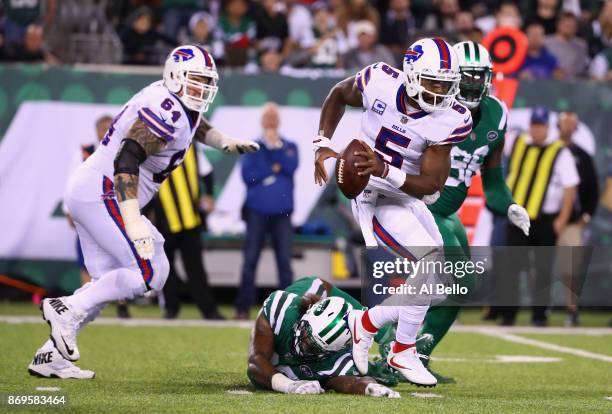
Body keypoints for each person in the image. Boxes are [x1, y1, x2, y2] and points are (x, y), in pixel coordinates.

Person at [28, 45, 259, 379]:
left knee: (106, 283)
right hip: (106, 192)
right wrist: (134, 219)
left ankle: (50, 357)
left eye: (206, 81)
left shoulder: (176, 103)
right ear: (176, 76)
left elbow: (193, 123)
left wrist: (221, 140)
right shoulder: (168, 111)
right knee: (151, 272)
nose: (202, 88)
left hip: (94, 188)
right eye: (196, 80)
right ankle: (65, 308)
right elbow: (127, 159)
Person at [314, 37, 472, 386]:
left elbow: (431, 183)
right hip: (372, 195)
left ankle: (365, 323)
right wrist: (322, 144)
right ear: (412, 75)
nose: (441, 91)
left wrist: (385, 169)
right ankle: (402, 351)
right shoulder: (380, 81)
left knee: (440, 286)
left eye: (447, 84)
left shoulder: (450, 117)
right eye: (433, 82)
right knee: (428, 262)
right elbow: (339, 93)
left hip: (406, 192)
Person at [417, 41, 530, 382]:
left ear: (488, 78)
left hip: (449, 213)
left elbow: (493, 181)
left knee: (462, 288)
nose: (469, 83)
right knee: (456, 282)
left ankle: (416, 354)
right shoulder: (431, 108)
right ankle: (388, 344)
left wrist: (509, 205)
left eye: (477, 76)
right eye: (464, 76)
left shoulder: (496, 114)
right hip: (422, 208)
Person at [496, 106, 579, 326]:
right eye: (534, 125)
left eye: (541, 126)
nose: (537, 130)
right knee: (511, 268)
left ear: (548, 128)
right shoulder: (517, 142)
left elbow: (571, 187)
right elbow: (498, 135)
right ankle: (508, 315)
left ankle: (539, 316)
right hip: (517, 218)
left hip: (545, 220)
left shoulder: (559, 151)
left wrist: (562, 219)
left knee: (542, 269)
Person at [247, 276, 399, 397]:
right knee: (317, 285)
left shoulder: (337, 356)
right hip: (311, 290)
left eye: (313, 346)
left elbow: (351, 383)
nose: (304, 344)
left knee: (364, 368)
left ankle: (401, 351)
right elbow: (255, 363)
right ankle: (385, 334)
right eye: (307, 334)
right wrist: (289, 385)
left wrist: (369, 387)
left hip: (343, 345)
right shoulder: (282, 309)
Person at [235, 103, 298, 320]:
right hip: (257, 212)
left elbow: (291, 166)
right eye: (267, 118)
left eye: (274, 118)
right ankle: (243, 308)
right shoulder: (252, 147)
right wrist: (272, 167)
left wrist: (275, 150)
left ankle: (290, 312)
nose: (271, 121)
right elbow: (248, 176)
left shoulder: (290, 146)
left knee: (284, 262)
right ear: (262, 121)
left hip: (282, 213)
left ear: (278, 121)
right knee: (250, 260)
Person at [147, 143, 224, 320]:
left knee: (195, 267)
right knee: (166, 267)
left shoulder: (191, 148)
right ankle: (171, 308)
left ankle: (208, 310)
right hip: (164, 220)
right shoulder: (151, 151)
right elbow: (144, 184)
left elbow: (207, 172)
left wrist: (209, 195)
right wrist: (145, 213)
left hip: (190, 218)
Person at [66, 115, 132, 319]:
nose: (106, 131)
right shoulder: (85, 151)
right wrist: (69, 209)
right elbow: (72, 179)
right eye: (102, 128)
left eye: (109, 128)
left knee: (121, 256)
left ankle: (122, 303)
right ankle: (87, 303)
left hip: (114, 209)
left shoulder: (124, 152)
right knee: (88, 257)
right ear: (96, 131)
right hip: (89, 208)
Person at [556, 112, 599, 326]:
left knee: (571, 267)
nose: (568, 128)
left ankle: (571, 308)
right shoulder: (546, 150)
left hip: (571, 222)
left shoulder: (582, 155)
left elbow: (592, 189)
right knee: (535, 264)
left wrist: (585, 217)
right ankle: (539, 311)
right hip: (543, 219)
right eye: (565, 123)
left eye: (572, 124)